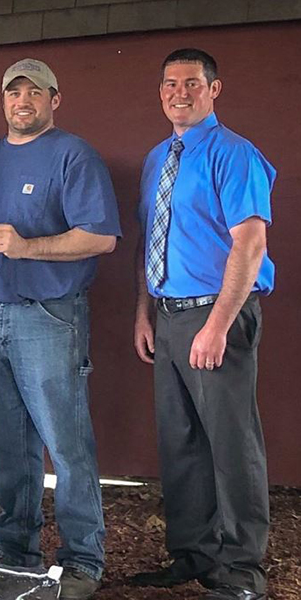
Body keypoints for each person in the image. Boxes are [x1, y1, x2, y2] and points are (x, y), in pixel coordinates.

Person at [0, 58, 120, 600]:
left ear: (55, 98)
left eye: (34, 92)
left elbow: (101, 238)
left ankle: (82, 561)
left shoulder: (74, 155)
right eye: (13, 92)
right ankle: (16, 550)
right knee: (6, 441)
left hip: (50, 314)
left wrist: (29, 248)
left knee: (65, 441)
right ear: (3, 100)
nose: (22, 101)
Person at [130, 49, 274, 600]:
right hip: (168, 318)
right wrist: (144, 312)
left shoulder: (235, 154)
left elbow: (250, 243)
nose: (179, 92)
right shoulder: (157, 159)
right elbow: (152, 241)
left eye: (192, 82)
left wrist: (217, 325)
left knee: (232, 444)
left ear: (215, 89)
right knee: (182, 441)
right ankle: (193, 553)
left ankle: (242, 572)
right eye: (170, 83)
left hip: (217, 315)